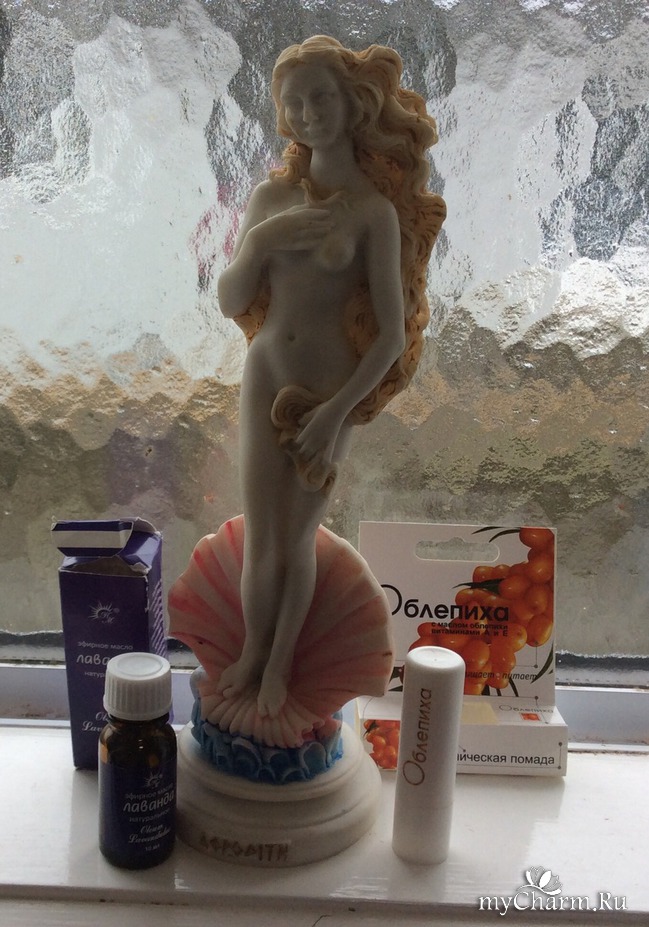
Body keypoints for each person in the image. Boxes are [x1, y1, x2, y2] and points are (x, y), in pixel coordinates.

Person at [216, 35, 446, 721]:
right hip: (266, 371)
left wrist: (337, 412)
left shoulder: (373, 212)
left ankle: (280, 664)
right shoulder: (271, 197)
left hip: (327, 391)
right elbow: (230, 300)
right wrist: (261, 242)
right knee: (262, 536)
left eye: (320, 97)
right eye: (294, 102)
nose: (307, 112)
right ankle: (252, 653)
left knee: (296, 537)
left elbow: (391, 335)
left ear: (353, 106)